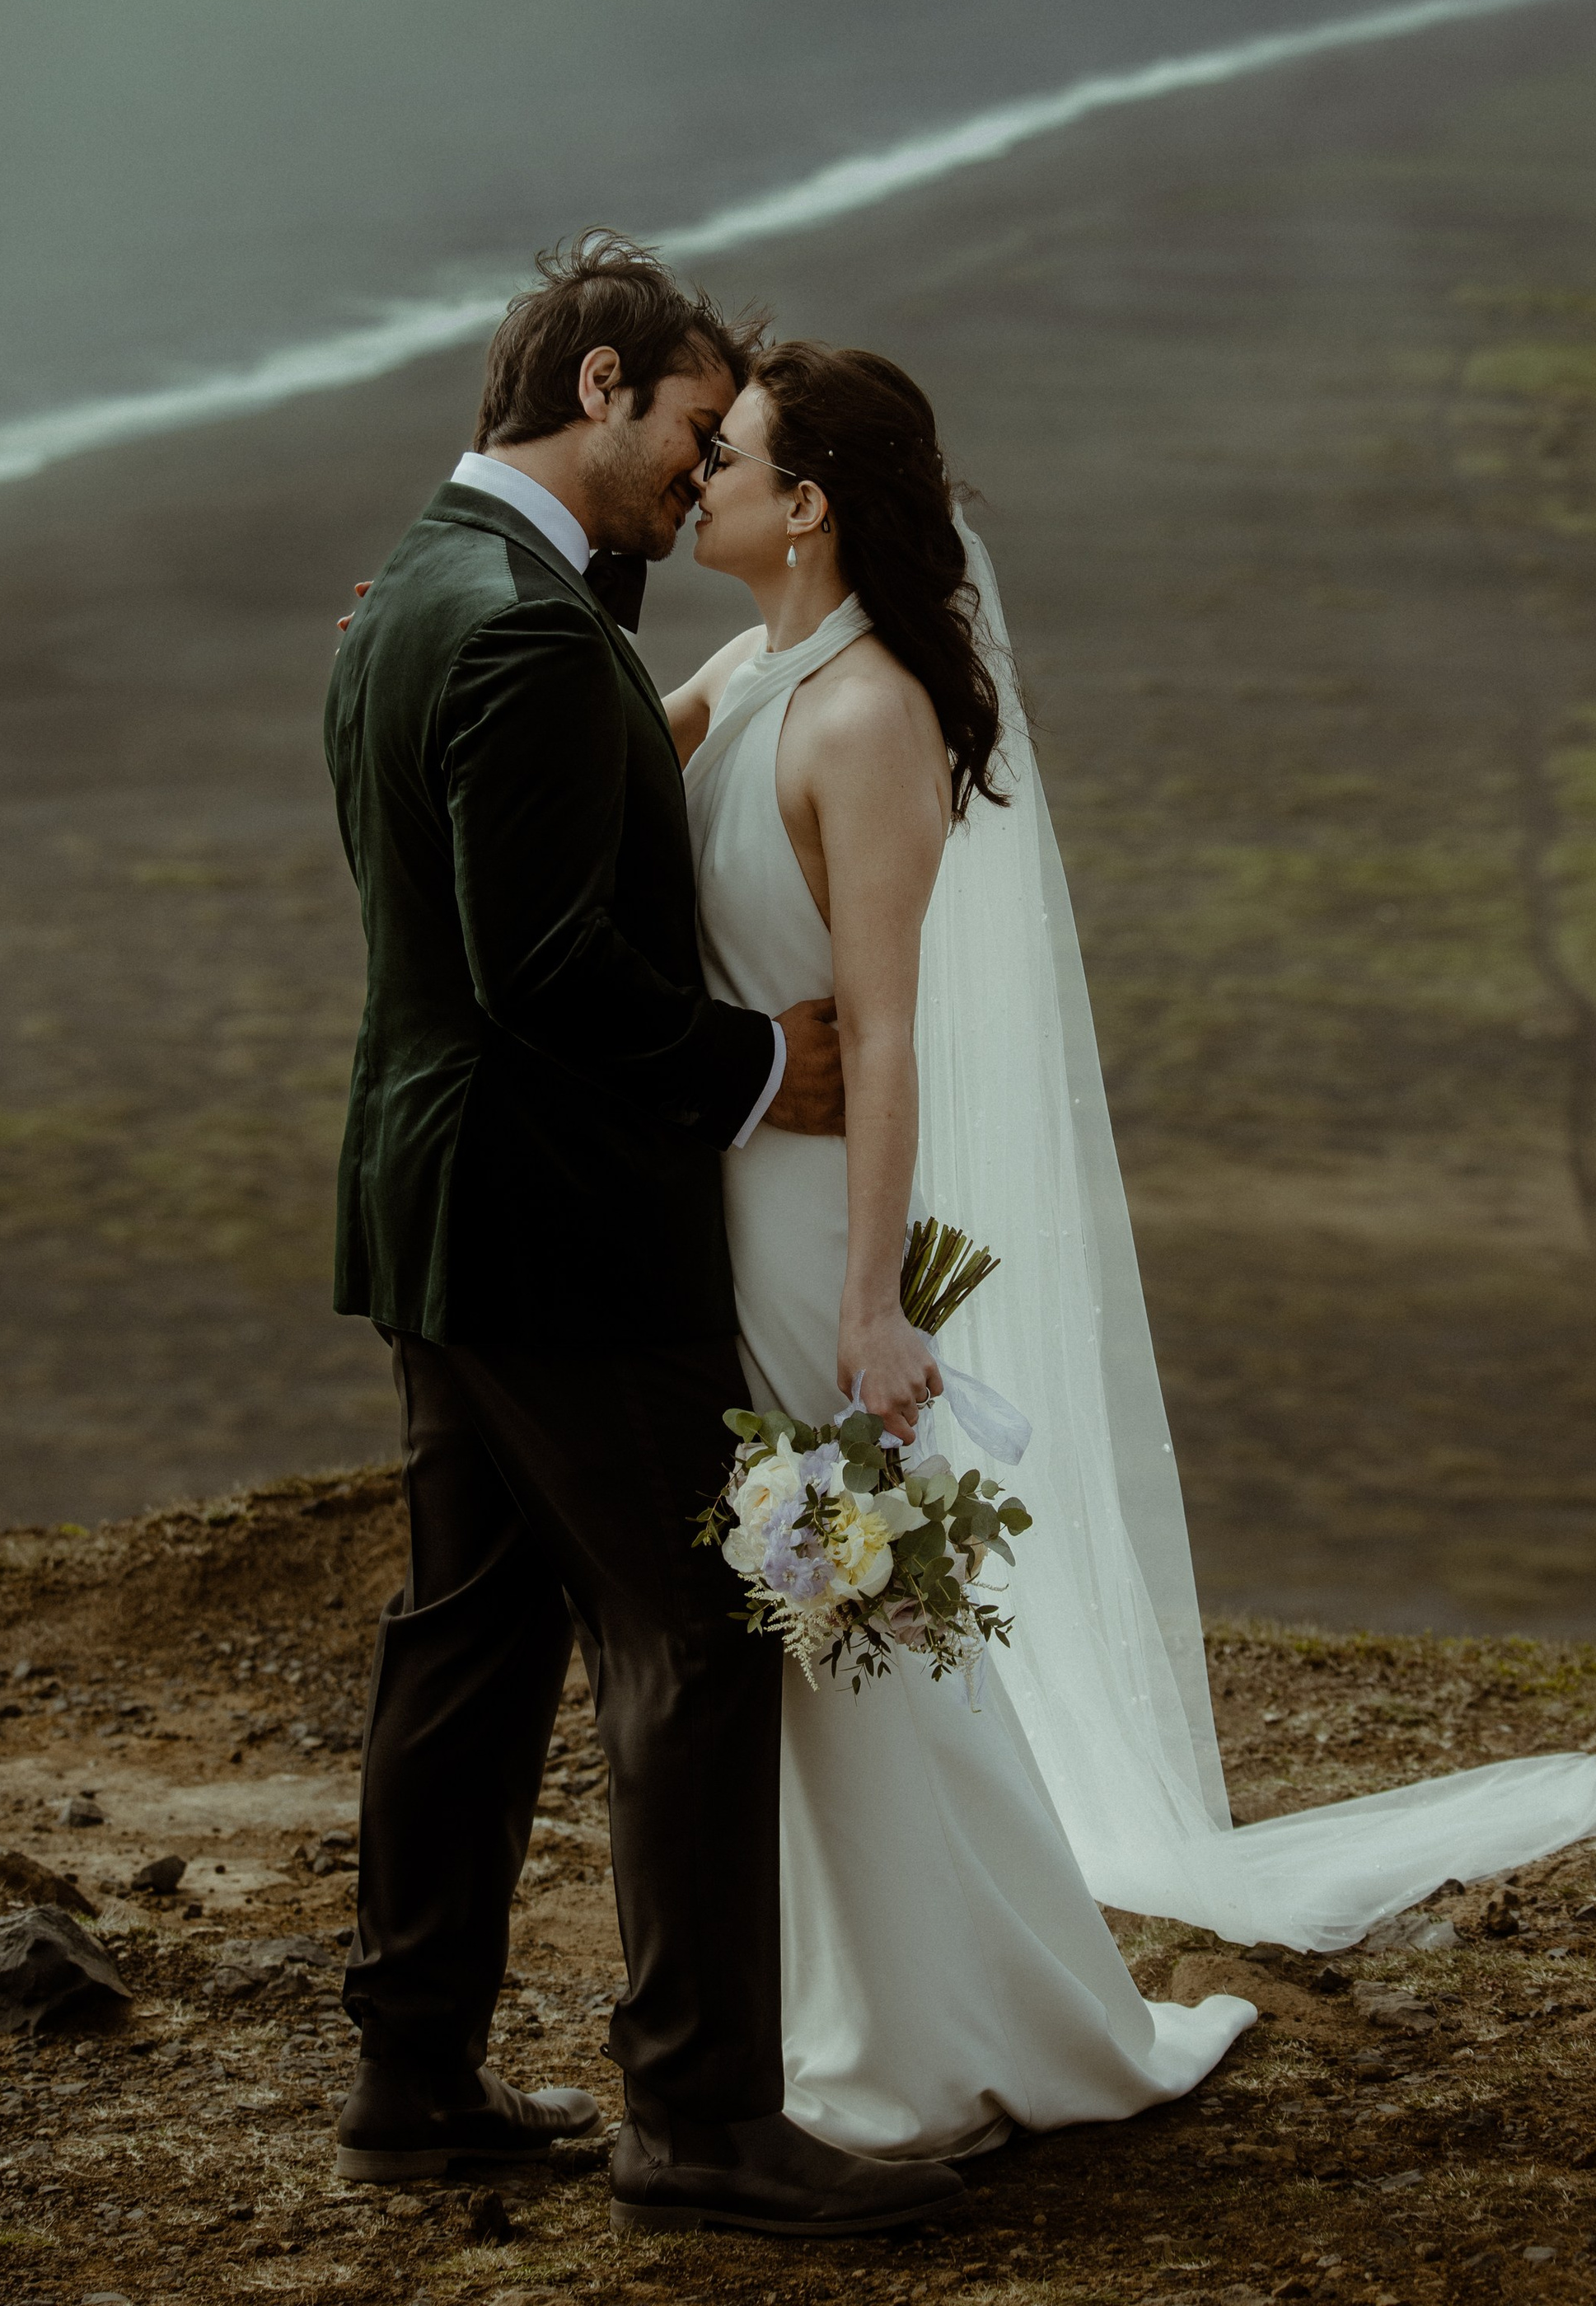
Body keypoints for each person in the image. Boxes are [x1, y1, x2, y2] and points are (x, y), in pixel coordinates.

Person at [670, 336, 1596, 2160]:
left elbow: (892, 1033)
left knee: (863, 1624)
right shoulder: (752, 670)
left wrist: (870, 1299)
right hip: (725, 1208)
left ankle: (957, 2027)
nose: (698, 477)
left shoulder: (867, 714)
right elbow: (594, 737)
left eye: (728, 455)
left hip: (811, 1227)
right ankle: (857, 2002)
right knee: (802, 1630)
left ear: (806, 503)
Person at [322, 237, 966, 2238]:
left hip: (436, 1201)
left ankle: (412, 2072)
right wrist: (760, 1062)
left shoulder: (425, 589)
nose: (698, 471)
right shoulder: (512, 628)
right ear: (597, 388)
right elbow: (538, 965)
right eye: (687, 424)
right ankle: (695, 2111)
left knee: (473, 1629)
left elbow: (561, 755)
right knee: (690, 1625)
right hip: (555, 1221)